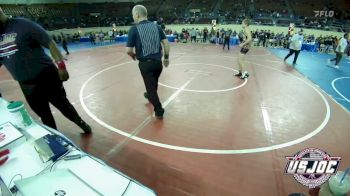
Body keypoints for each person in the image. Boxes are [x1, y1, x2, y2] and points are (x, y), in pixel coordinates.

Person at [0, 7, 91, 133]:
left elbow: (49, 43)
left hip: (46, 76)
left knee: (63, 105)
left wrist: (61, 66)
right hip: (26, 84)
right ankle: (56, 138)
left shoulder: (23, 24)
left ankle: (81, 123)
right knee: (44, 114)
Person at [126, 5, 170, 119]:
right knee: (153, 82)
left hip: (145, 64)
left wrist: (133, 56)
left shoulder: (134, 29)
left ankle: (159, 109)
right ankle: (149, 95)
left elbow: (128, 50)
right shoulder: (157, 27)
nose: (133, 16)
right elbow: (166, 43)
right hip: (158, 63)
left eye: (133, 14)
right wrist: (166, 58)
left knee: (150, 87)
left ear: (137, 14)